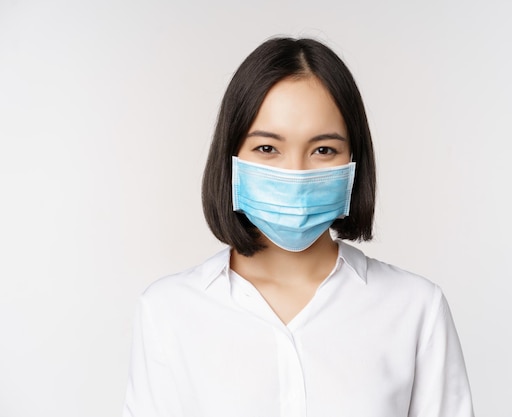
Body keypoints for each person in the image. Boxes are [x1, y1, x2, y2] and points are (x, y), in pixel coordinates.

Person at [123, 37, 474, 417]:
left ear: (354, 162)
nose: (296, 174)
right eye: (267, 149)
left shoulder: (415, 308)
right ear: (232, 157)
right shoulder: (169, 310)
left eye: (323, 150)